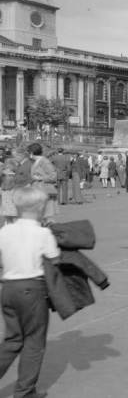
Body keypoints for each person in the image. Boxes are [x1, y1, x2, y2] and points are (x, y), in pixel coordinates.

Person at [0, 186, 61, 397]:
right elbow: (55, 259)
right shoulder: (42, 233)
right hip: (32, 288)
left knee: (13, 339)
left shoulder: (4, 231)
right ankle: (25, 391)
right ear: (40, 207)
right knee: (34, 340)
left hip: (8, 287)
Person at [27, 143, 57, 221]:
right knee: (40, 214)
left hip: (43, 190)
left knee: (45, 214)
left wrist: (39, 178)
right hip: (38, 190)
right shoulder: (37, 161)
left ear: (31, 152)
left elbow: (53, 176)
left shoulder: (44, 161)